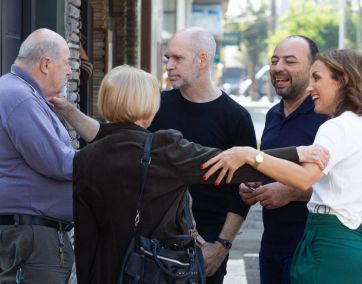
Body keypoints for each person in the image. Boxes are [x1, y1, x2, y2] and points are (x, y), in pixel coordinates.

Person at [72, 64, 304, 284]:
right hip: (157, 271)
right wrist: (299, 154)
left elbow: (85, 237)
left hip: (104, 273)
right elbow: (233, 165)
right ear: (149, 105)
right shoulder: (164, 148)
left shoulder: (85, 158)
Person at [202, 48, 362, 284]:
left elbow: (303, 178)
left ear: (343, 80)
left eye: (317, 78)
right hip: (348, 237)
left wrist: (250, 155)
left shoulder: (335, 127)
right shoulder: (356, 124)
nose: (310, 87)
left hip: (328, 241)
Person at [148, 26, 257, 284]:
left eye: (177, 58)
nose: (169, 65)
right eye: (167, 58)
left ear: (203, 60)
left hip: (206, 244)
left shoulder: (236, 117)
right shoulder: (156, 106)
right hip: (153, 241)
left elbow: (241, 195)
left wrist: (221, 247)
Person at [238, 35, 328, 284]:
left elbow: (343, 185)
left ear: (313, 69)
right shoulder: (272, 114)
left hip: (311, 249)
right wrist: (253, 184)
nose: (278, 68)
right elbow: (271, 166)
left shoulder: (327, 116)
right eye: (274, 60)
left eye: (290, 61)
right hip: (271, 244)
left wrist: (292, 192)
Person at [0, 29, 75, 283]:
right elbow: (59, 163)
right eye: (66, 63)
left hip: (28, 233)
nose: (69, 71)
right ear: (46, 64)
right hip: (29, 236)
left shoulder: (20, 93)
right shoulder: (20, 97)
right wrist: (106, 160)